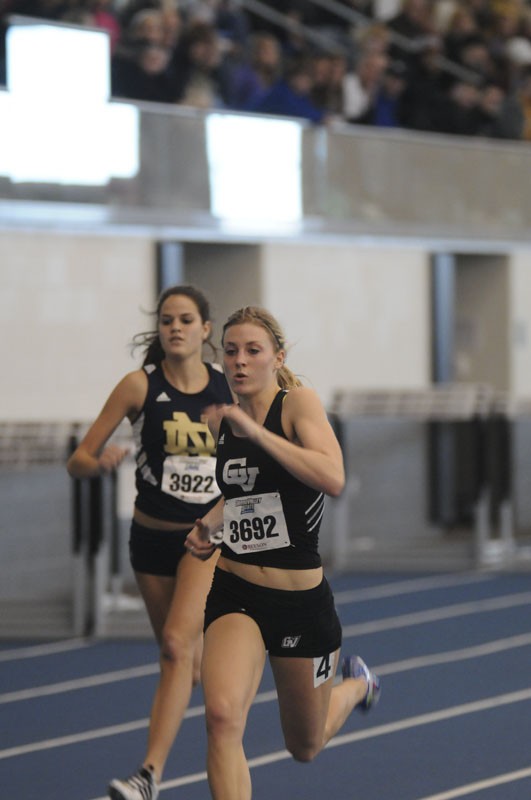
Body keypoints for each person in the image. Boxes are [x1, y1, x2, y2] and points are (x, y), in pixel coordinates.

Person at [184, 306, 381, 800]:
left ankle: (357, 685)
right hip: (236, 590)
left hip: (299, 602)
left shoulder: (297, 405)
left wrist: (258, 434)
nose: (240, 361)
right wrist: (212, 521)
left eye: (253, 351)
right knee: (222, 717)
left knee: (305, 745)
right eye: (230, 351)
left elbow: (332, 478)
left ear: (277, 357)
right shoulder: (224, 421)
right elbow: (247, 493)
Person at [66, 284, 233, 800]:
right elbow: (77, 460)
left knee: (175, 647)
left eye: (186, 320)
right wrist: (100, 462)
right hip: (150, 540)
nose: (175, 328)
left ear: (205, 330)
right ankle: (224, 691)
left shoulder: (228, 390)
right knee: (186, 666)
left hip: (204, 541)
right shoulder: (139, 386)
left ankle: (148, 776)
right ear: (159, 330)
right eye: (166, 320)